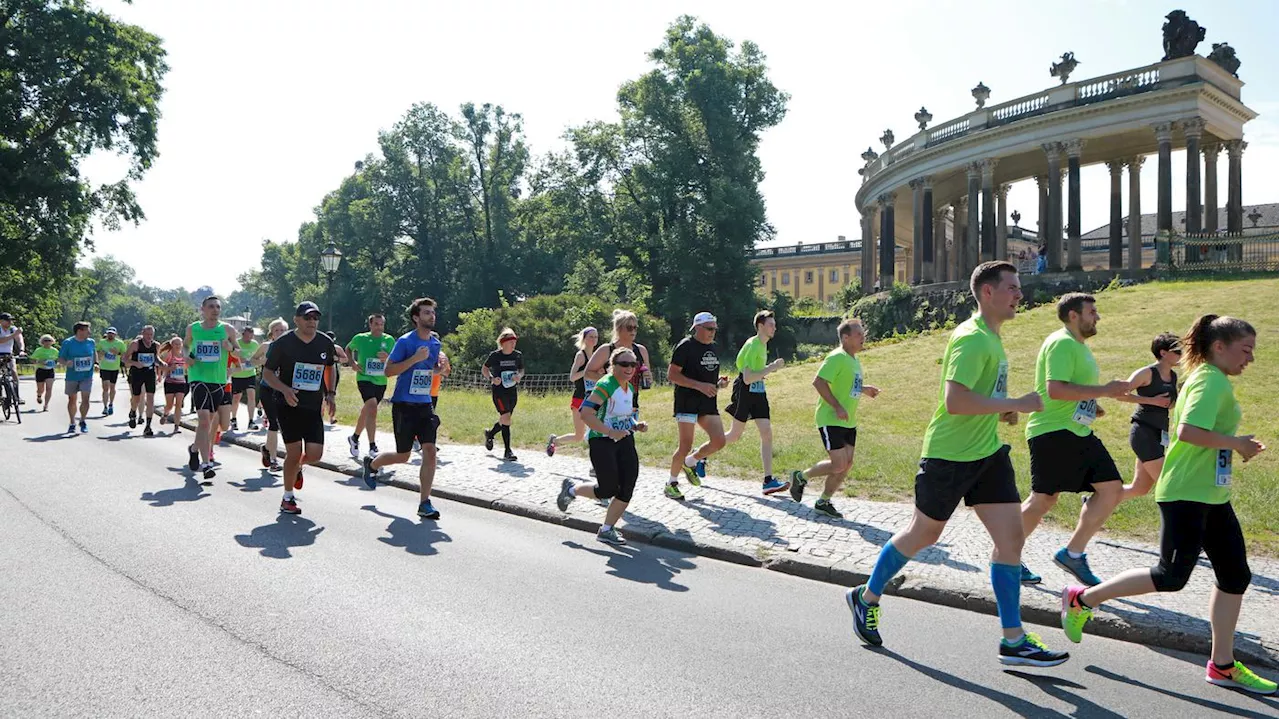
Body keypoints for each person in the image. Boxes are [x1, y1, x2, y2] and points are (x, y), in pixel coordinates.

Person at [848, 261, 1069, 667]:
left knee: (1011, 540)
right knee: (923, 534)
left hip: (986, 454)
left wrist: (1002, 411)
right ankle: (866, 596)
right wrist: (1015, 403)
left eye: (1019, 288)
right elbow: (955, 401)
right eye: (1012, 288)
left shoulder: (992, 338)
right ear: (988, 292)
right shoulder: (972, 339)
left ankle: (1013, 639)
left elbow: (979, 397)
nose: (1020, 294)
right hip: (948, 457)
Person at [1062, 315, 1276, 696]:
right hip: (1186, 493)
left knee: (1235, 575)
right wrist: (1237, 444)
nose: (1251, 359)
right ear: (1219, 347)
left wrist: (1236, 443)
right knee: (1170, 576)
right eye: (1246, 350)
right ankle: (1082, 600)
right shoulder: (1210, 381)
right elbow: (1188, 432)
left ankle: (1222, 665)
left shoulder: (1213, 380)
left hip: (1211, 493)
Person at [1018, 294, 1132, 586]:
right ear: (1073, 315)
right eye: (1092, 312)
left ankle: (1073, 553)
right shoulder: (1062, 342)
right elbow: (1055, 389)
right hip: (1053, 431)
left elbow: (1072, 388)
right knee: (1043, 499)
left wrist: (1093, 403)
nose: (1097, 317)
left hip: (1076, 430)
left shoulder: (1078, 347)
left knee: (1111, 489)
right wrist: (1104, 390)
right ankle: (1006, 555)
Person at [555, 346, 649, 545]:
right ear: (612, 366)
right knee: (607, 489)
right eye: (624, 364)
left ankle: (607, 529)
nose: (630, 368)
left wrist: (635, 425)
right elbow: (586, 413)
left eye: (633, 364)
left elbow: (624, 415)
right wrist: (610, 432)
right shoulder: (606, 384)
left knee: (628, 485)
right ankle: (572, 490)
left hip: (624, 440)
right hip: (602, 441)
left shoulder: (629, 387)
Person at [361, 297, 444, 519]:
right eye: (426, 312)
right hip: (403, 405)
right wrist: (414, 358)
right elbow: (388, 371)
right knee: (403, 455)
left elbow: (430, 370)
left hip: (425, 404)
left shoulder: (436, 344)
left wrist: (440, 369)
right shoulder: (406, 342)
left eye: (432, 312)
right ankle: (372, 465)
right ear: (416, 318)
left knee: (429, 451)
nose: (431, 316)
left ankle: (424, 502)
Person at [788, 318, 878, 518]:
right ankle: (801, 476)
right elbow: (818, 382)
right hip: (830, 419)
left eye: (863, 333)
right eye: (858, 335)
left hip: (849, 421)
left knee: (847, 464)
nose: (863, 337)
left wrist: (864, 389)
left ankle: (824, 501)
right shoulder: (837, 357)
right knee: (838, 464)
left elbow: (846, 384)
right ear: (845, 338)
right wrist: (837, 406)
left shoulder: (853, 359)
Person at [262, 302, 337, 515]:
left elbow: (330, 368)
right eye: (307, 318)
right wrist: (285, 390)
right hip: (288, 405)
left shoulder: (325, 342)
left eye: (315, 318)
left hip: (313, 407)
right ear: (296, 320)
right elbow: (267, 373)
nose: (312, 321)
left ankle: (297, 468)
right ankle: (287, 497)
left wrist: (330, 394)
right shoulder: (283, 343)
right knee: (293, 453)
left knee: (315, 455)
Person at [724, 311, 789, 495]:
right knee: (735, 435)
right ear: (760, 326)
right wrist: (772, 368)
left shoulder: (762, 345)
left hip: (758, 391)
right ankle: (700, 455)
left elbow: (756, 375)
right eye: (771, 325)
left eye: (774, 325)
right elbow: (747, 378)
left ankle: (768, 480)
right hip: (745, 391)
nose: (774, 328)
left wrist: (766, 371)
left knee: (767, 432)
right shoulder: (753, 345)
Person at [666, 312, 729, 501]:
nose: (713, 333)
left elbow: (707, 377)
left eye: (715, 329)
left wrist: (718, 383)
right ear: (697, 328)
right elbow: (672, 375)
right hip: (687, 402)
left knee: (719, 441)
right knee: (685, 445)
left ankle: (691, 462)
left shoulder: (713, 348)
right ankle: (671, 484)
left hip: (707, 403)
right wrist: (699, 386)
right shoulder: (685, 346)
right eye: (709, 329)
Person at [1114, 333, 1181, 503]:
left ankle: (1095, 500)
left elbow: (1168, 405)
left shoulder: (1173, 376)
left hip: (1160, 433)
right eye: (1177, 351)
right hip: (1144, 432)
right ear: (1163, 353)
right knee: (1170, 483)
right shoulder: (1147, 373)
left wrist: (1179, 396)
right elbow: (1121, 394)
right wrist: (1151, 401)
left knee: (1140, 488)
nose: (1182, 355)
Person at [184, 296, 240, 481]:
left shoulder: (227, 329)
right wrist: (187, 357)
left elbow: (237, 350)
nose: (215, 310)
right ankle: (206, 463)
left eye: (218, 307)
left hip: (218, 380)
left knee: (211, 423)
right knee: (204, 420)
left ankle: (193, 449)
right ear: (203, 309)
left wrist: (230, 346)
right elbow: (185, 345)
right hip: (198, 377)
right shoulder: (194, 328)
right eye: (211, 306)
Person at [585, 310, 654, 423]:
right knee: (607, 436)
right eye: (629, 328)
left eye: (635, 328)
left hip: (631, 402)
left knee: (627, 436)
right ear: (619, 328)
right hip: (608, 401)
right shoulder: (606, 349)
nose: (633, 331)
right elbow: (588, 373)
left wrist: (648, 377)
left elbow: (648, 376)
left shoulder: (641, 350)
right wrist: (610, 379)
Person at [346, 313, 396, 460]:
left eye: (382, 324)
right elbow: (348, 349)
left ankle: (354, 438)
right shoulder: (361, 338)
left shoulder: (389, 340)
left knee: (367, 410)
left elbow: (397, 357)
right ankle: (372, 445)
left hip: (381, 380)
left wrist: (387, 358)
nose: (379, 327)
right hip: (364, 377)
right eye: (376, 324)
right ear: (370, 325)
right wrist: (352, 363)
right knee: (372, 408)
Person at [546, 326, 599, 457]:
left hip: (594, 398)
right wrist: (586, 371)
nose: (593, 339)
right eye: (590, 337)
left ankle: (596, 464)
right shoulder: (581, 355)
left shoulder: (597, 356)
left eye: (596, 337)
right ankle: (555, 440)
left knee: (596, 431)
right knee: (579, 436)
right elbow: (572, 377)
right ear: (584, 339)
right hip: (580, 398)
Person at [249, 319, 288, 472]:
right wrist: (263, 361)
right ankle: (273, 460)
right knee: (274, 424)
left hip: (284, 390)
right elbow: (252, 361)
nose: (280, 333)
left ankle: (266, 448)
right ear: (272, 333)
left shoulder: (291, 348)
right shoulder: (266, 346)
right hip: (267, 388)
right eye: (277, 330)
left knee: (282, 424)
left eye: (283, 330)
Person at [482, 328, 524, 462]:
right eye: (511, 341)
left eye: (515, 342)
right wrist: (491, 379)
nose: (514, 344)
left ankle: (490, 433)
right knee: (506, 418)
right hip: (499, 391)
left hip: (512, 391)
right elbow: (484, 368)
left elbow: (521, 369)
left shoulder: (517, 355)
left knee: (506, 418)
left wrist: (519, 376)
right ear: (504, 343)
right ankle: (507, 451)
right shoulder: (495, 355)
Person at [124, 325, 164, 436]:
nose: (149, 337)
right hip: (137, 373)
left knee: (150, 399)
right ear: (142, 333)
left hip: (150, 373)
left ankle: (148, 426)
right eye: (147, 334)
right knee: (136, 398)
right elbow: (125, 358)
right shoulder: (135, 344)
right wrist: (135, 363)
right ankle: (133, 412)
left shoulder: (156, 345)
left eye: (151, 335)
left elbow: (156, 357)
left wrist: (161, 363)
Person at [59, 321, 96, 434]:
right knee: (72, 399)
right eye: (87, 329)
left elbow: (93, 353)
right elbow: (60, 358)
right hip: (72, 375)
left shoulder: (91, 342)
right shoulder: (68, 343)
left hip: (87, 375)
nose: (89, 332)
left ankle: (83, 420)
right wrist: (66, 363)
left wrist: (96, 363)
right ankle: (72, 422)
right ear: (80, 331)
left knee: (86, 398)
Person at [229, 326, 260, 431]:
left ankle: (251, 421)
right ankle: (233, 418)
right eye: (247, 336)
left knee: (252, 396)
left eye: (251, 336)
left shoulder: (255, 344)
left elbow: (258, 357)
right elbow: (233, 354)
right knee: (236, 398)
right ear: (243, 335)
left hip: (250, 374)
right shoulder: (237, 342)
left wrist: (255, 362)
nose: (249, 338)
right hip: (237, 374)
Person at [159, 337, 188, 435]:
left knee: (179, 404)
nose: (178, 346)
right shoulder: (168, 355)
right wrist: (170, 368)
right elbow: (161, 366)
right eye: (176, 344)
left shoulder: (184, 355)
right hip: (170, 382)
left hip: (181, 382)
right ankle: (166, 413)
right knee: (169, 405)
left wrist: (187, 367)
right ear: (172, 345)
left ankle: (176, 426)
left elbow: (190, 364)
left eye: (179, 344)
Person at [97, 327, 127, 416]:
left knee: (112, 387)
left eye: (113, 333)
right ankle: (105, 407)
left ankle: (111, 404)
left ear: (115, 334)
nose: (111, 335)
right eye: (109, 333)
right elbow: (97, 351)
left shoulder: (120, 343)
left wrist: (117, 353)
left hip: (114, 368)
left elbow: (124, 355)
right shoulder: (102, 342)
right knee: (105, 387)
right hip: (104, 367)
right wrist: (100, 354)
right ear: (107, 334)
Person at [30, 334, 59, 412]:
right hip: (40, 370)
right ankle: (39, 395)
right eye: (45, 340)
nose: (47, 342)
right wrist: (40, 361)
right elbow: (32, 359)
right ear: (42, 342)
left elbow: (59, 359)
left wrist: (56, 363)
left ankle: (46, 405)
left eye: (49, 340)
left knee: (49, 388)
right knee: (41, 389)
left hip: (50, 371)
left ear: (52, 341)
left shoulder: (55, 350)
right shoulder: (39, 350)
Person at [0, 314, 23, 401]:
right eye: (8, 320)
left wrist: (21, 350)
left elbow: (19, 339)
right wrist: (14, 334)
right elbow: (1, 340)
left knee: (13, 371)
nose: (10, 322)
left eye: (11, 320)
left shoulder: (13, 329)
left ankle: (17, 396)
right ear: (1, 321)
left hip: (8, 353)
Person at [323, 331, 341, 424]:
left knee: (331, 394)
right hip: (322, 372)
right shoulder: (320, 346)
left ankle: (331, 418)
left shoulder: (337, 348)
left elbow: (345, 358)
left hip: (333, 372)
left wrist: (337, 359)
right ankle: (321, 415)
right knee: (322, 396)